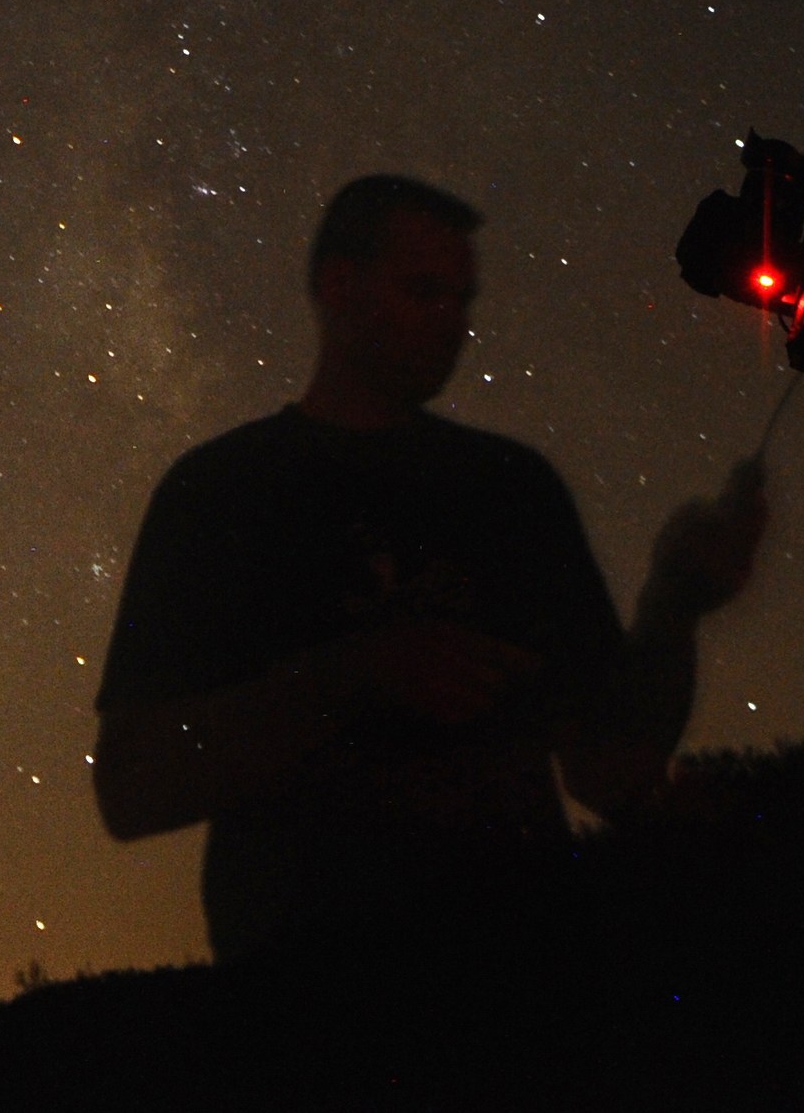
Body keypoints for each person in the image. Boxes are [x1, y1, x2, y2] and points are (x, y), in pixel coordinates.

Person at [90, 175, 767, 968]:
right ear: (336, 285)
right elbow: (132, 786)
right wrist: (353, 678)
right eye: (423, 291)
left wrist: (676, 600)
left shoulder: (513, 488)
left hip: (521, 975)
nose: (452, 324)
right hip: (306, 1000)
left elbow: (608, 766)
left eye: (462, 299)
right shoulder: (221, 492)